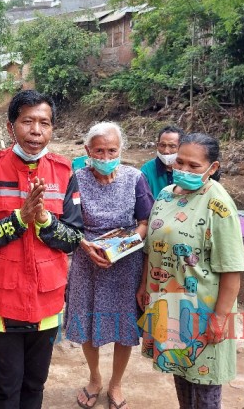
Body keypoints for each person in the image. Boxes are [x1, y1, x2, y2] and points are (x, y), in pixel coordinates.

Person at [0, 89, 84, 409]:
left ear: (52, 128)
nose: (36, 131)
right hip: (2, 300)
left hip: (46, 301)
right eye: (27, 121)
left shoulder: (64, 172)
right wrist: (20, 219)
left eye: (44, 123)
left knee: (35, 382)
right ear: (10, 127)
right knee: (6, 384)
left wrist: (45, 221)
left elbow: (74, 239)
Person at [137, 133, 244, 409]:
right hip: (168, 304)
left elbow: (232, 268)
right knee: (181, 374)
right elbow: (151, 248)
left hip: (203, 310)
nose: (184, 170)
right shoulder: (164, 195)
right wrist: (144, 287)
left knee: (205, 385)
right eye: (180, 162)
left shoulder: (218, 205)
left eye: (194, 166)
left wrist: (220, 318)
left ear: (213, 167)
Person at [65, 122, 154, 409]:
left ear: (121, 150)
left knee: (123, 325)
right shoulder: (75, 178)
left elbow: (145, 222)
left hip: (126, 264)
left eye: (112, 150)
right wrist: (85, 245)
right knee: (87, 322)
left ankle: (116, 383)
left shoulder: (135, 178)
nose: (105, 157)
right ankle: (94, 379)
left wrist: (122, 247)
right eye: (99, 151)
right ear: (88, 150)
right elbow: (68, 222)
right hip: (87, 260)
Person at [140, 125, 185, 199]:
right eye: (162, 145)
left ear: (182, 147)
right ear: (157, 145)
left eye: (172, 146)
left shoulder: (188, 171)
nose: (166, 151)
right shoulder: (147, 170)